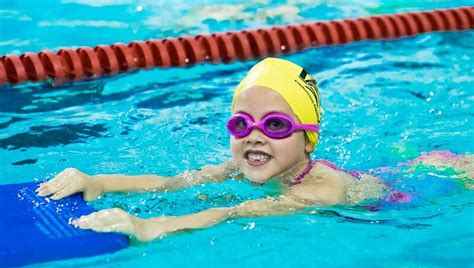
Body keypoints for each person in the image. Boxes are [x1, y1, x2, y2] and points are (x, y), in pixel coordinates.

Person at [36, 58, 473, 242]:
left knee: (438, 170)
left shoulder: (316, 190)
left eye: (277, 125)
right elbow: (172, 182)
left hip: (408, 198)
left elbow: (231, 214)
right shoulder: (238, 166)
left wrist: (150, 226)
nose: (255, 136)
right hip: (388, 175)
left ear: (308, 139)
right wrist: (97, 181)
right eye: (242, 124)